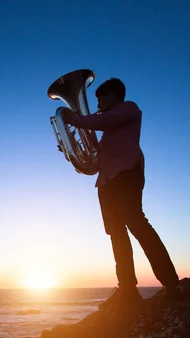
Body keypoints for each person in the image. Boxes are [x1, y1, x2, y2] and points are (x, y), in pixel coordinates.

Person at [61, 77, 180, 306]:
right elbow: (95, 163)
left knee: (137, 224)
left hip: (126, 174)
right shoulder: (108, 129)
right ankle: (127, 289)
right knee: (116, 233)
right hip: (106, 182)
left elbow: (104, 120)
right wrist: (70, 151)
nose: (97, 106)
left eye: (100, 100)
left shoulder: (129, 109)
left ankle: (171, 283)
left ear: (113, 96)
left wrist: (74, 120)